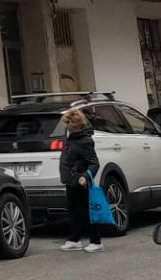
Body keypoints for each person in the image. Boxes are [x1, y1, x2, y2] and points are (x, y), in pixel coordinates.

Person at [57, 107, 103, 253]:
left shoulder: (85, 141)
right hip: (71, 180)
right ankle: (74, 239)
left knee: (88, 211)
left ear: (76, 126)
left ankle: (96, 241)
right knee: (73, 211)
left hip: (80, 181)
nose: (66, 127)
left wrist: (85, 176)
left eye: (68, 125)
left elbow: (94, 163)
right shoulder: (71, 138)